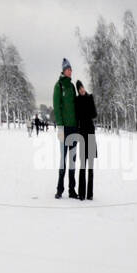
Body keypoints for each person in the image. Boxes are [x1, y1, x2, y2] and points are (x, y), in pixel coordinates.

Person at [54, 59, 80, 200]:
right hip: (64, 129)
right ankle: (59, 189)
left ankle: (71, 190)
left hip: (74, 128)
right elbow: (57, 107)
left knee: (72, 159)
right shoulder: (59, 86)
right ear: (63, 71)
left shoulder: (72, 87)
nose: (70, 71)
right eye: (68, 69)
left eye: (71, 69)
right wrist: (60, 127)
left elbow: (75, 106)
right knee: (63, 160)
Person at [74, 80, 98, 201]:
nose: (81, 90)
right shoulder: (77, 101)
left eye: (82, 87)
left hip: (91, 133)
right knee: (83, 165)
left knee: (91, 166)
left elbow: (94, 114)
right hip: (82, 134)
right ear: (78, 91)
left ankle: (90, 193)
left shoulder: (90, 98)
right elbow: (78, 117)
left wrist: (87, 108)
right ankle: (81, 193)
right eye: (79, 89)